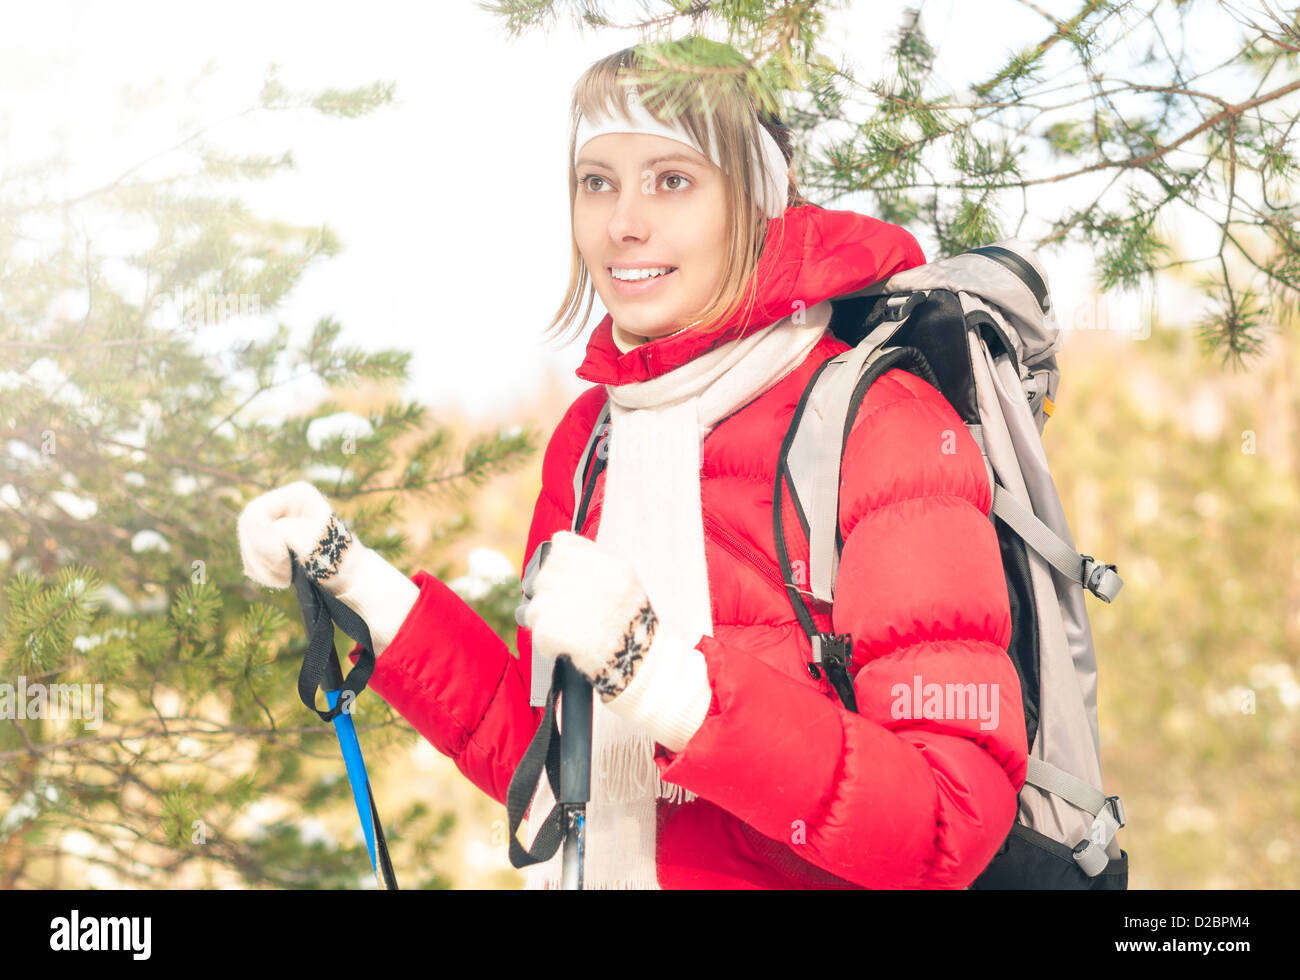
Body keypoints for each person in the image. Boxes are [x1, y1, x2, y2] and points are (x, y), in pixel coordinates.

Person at [238, 37, 1027, 889]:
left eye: (672, 180)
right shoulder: (592, 438)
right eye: (598, 181)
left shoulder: (883, 425)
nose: (624, 223)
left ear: (756, 200)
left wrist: (657, 677)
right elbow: (546, 764)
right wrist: (352, 576)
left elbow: (947, 826)